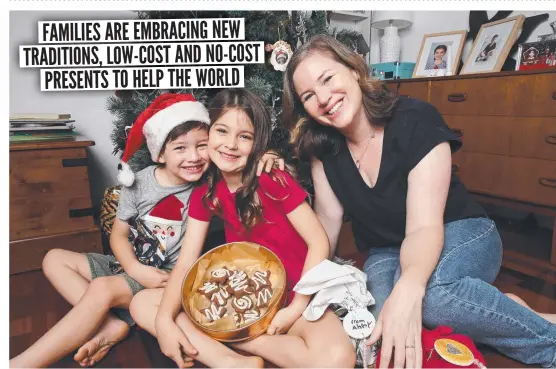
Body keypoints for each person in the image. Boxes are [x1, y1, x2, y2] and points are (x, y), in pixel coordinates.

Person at [281, 34, 556, 369]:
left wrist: (410, 285)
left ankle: (548, 344)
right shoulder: (322, 150)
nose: (323, 98)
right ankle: (500, 308)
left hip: (458, 230)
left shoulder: (416, 119)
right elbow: (325, 225)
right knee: (380, 329)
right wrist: (298, 292)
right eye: (309, 95)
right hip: (386, 250)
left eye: (328, 78)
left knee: (432, 299)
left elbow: (425, 227)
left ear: (353, 70)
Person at [9, 93, 283, 369]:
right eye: (180, 149)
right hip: (129, 267)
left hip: (165, 279)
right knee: (53, 258)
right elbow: (118, 235)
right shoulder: (138, 183)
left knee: (102, 289)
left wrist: (268, 155)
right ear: (159, 153)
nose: (194, 157)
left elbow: (240, 162)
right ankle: (110, 324)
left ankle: (25, 363)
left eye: (202, 146)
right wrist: (132, 267)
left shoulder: (210, 184)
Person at [129, 88, 356, 368]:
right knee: (142, 304)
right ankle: (230, 361)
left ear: (257, 142)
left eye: (244, 136)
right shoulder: (207, 191)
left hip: (295, 298)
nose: (231, 145)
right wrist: (164, 322)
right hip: (241, 300)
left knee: (338, 359)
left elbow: (318, 242)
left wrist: (297, 306)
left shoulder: (272, 177)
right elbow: (186, 261)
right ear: (207, 134)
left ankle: (237, 340)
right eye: (221, 131)